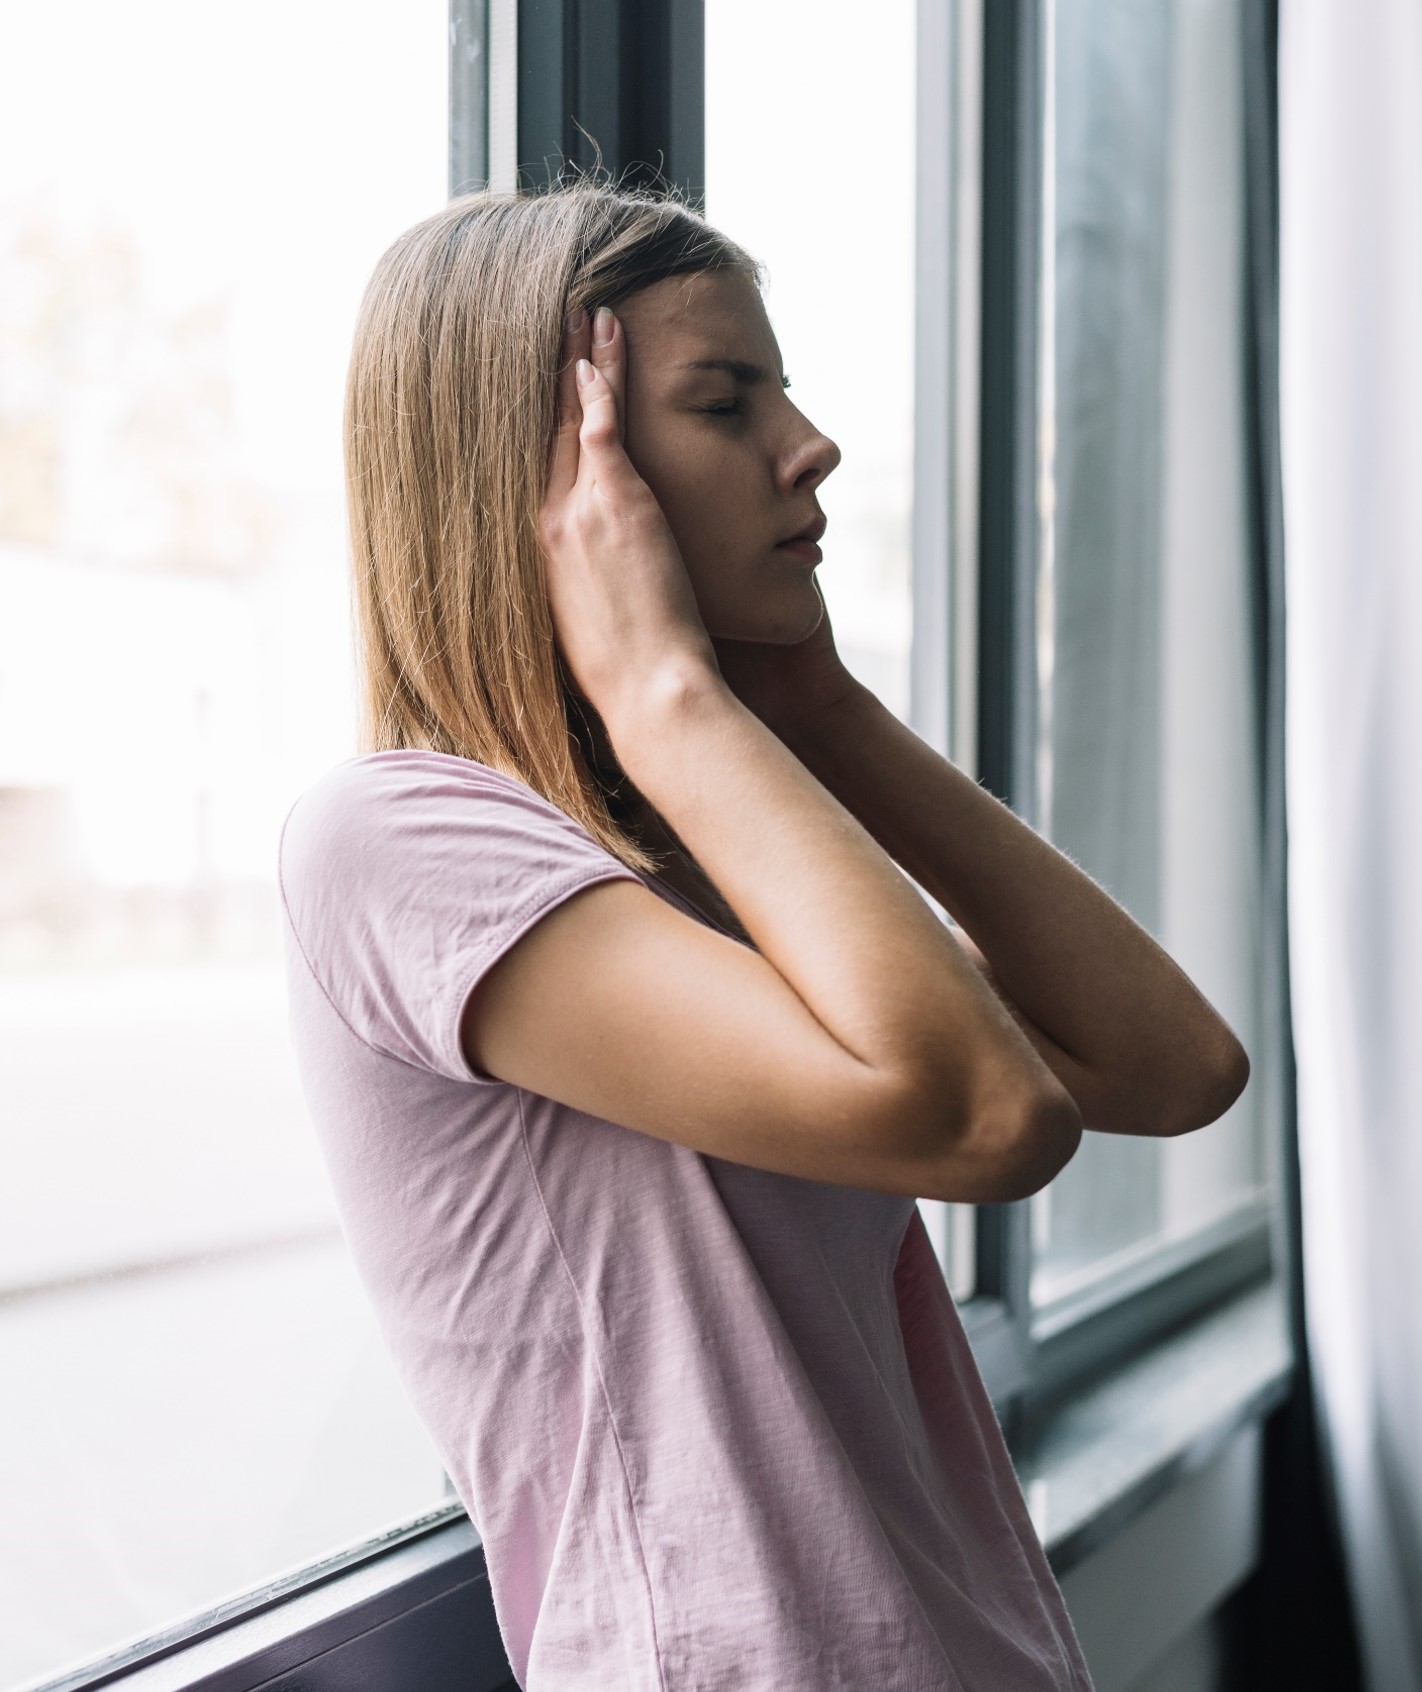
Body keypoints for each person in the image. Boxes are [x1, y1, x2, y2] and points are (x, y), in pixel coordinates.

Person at [279, 182, 1249, 1691]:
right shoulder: (402, 845)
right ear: (552, 484)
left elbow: (1169, 1064)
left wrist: (817, 708)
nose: (810, 446)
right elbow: (988, 1119)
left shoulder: (697, 851)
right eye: (727, 402)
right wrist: (668, 691)